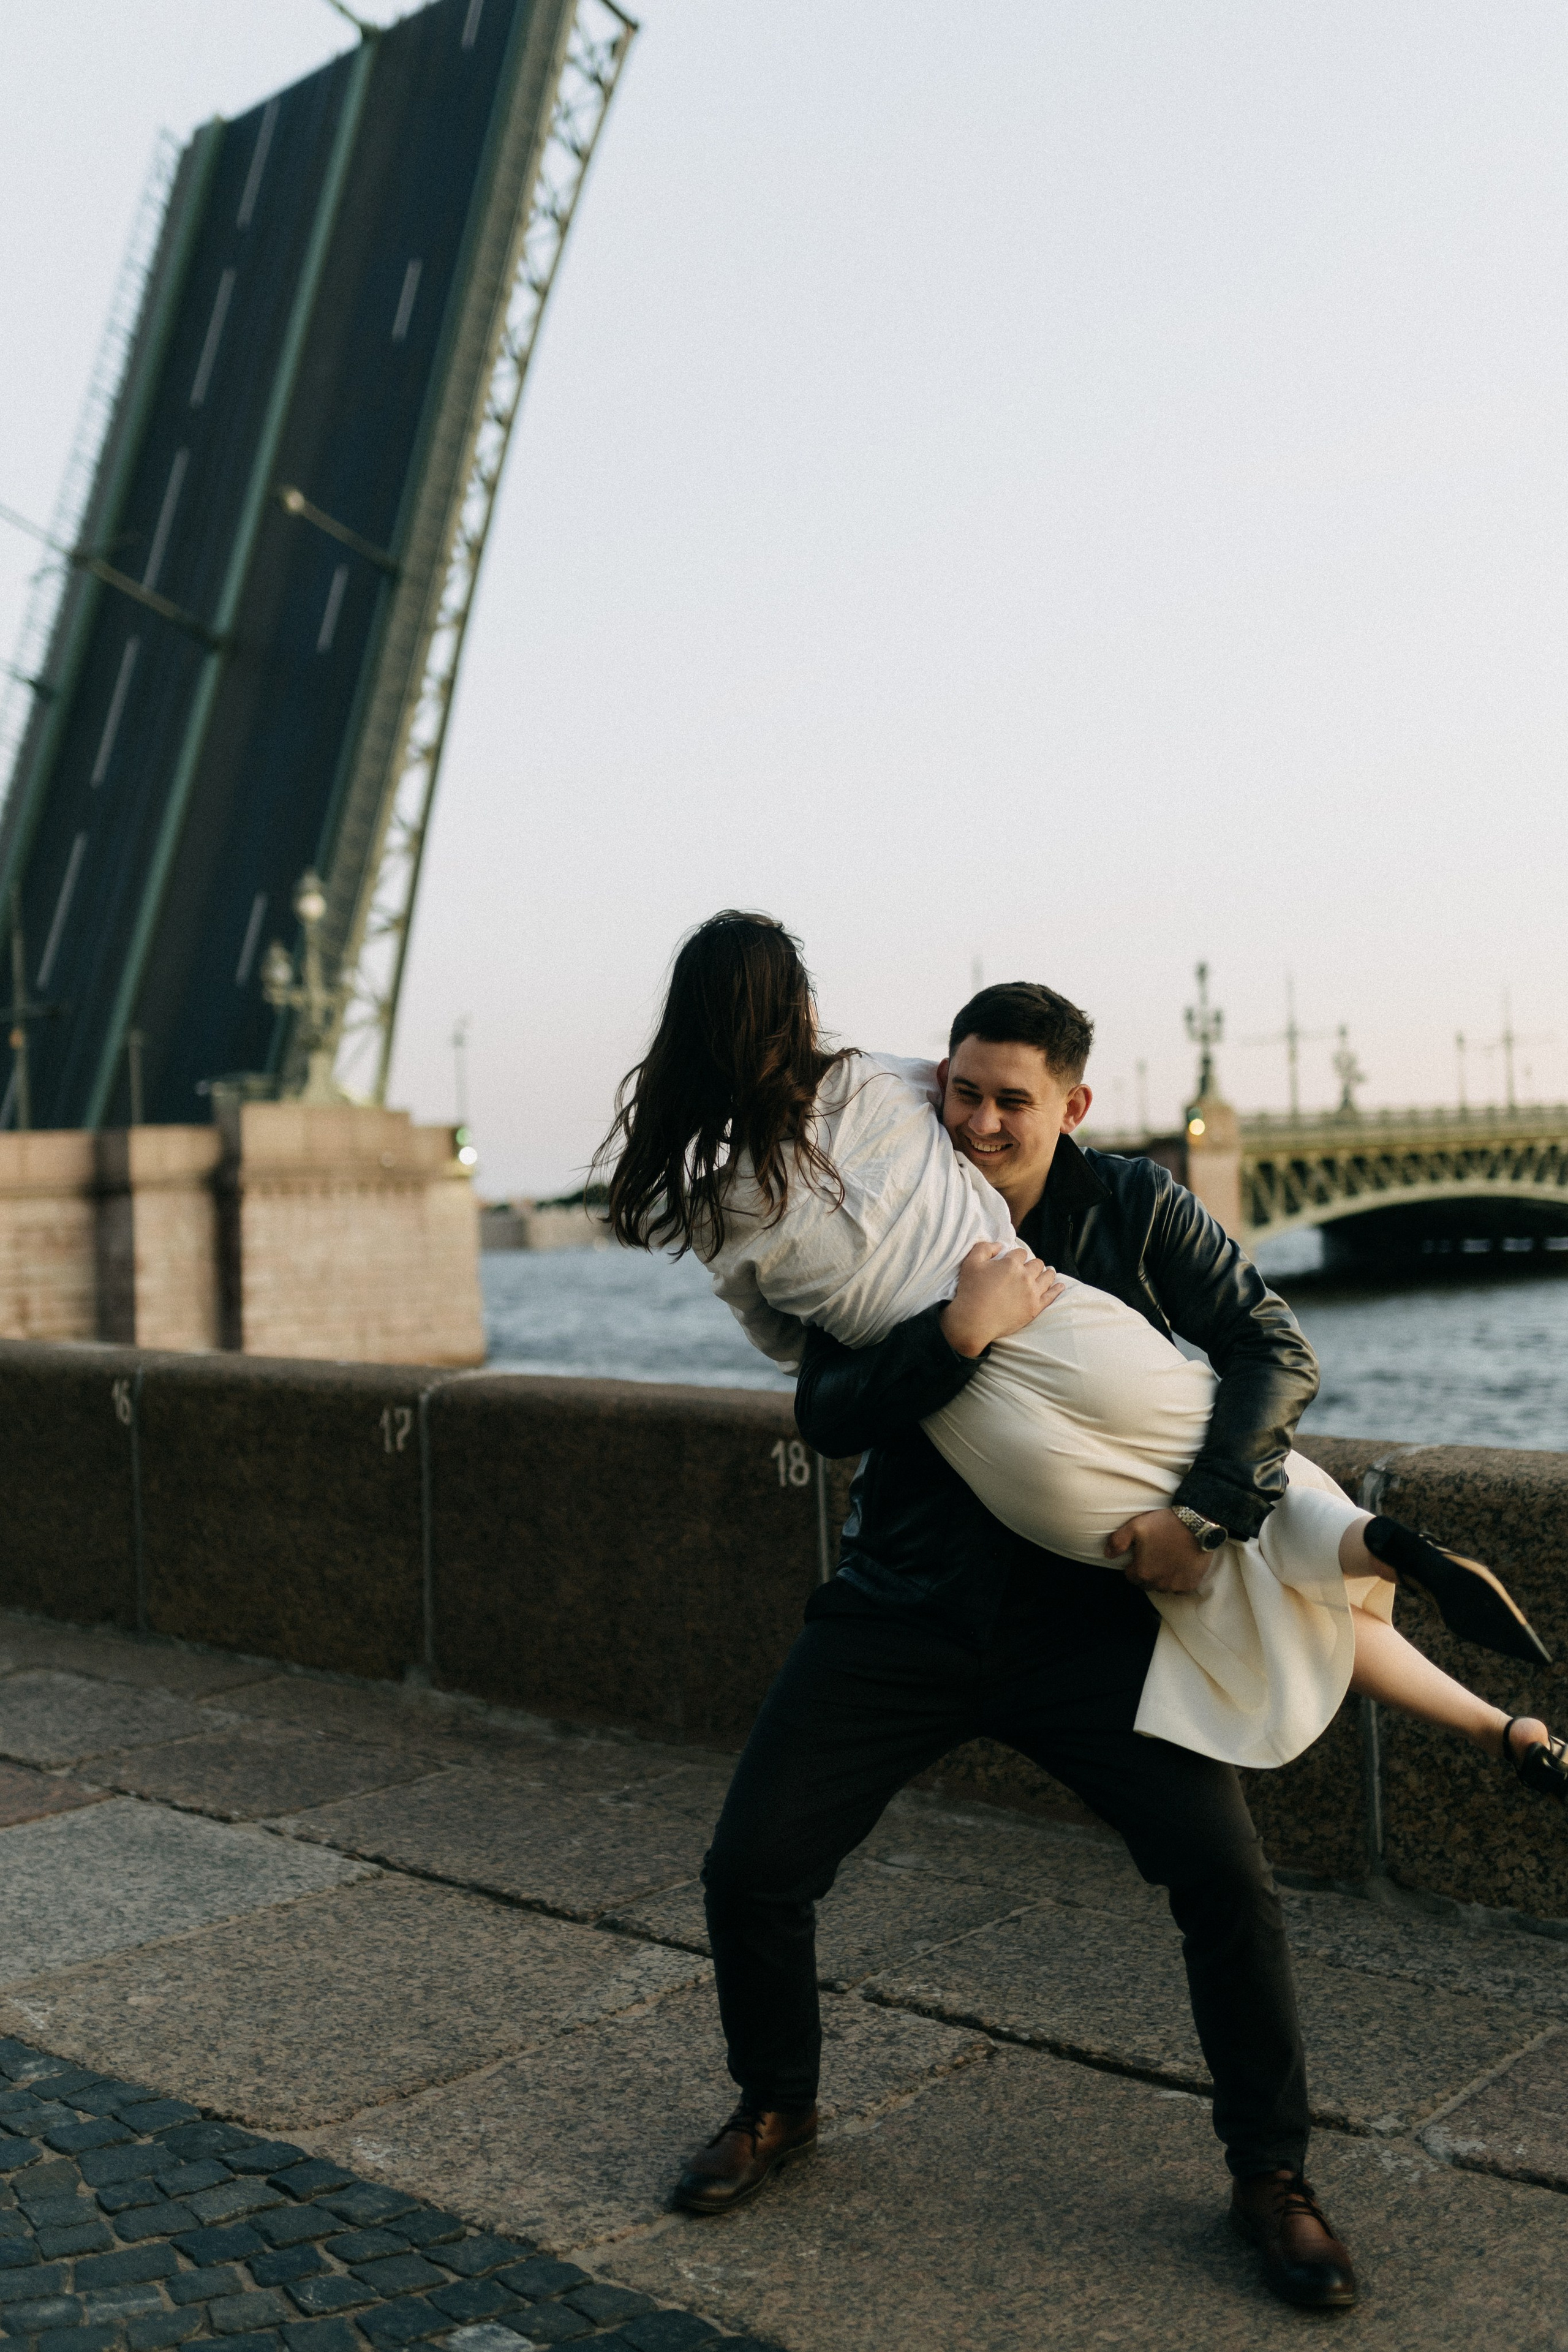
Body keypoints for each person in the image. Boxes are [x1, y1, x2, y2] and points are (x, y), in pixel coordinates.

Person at [598, 911, 1564, 2313]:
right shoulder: (868, 1163)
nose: (979, 1122)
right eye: (961, 1094)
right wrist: (953, 1334)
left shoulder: (1133, 1208)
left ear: (1071, 1105)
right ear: (932, 1087)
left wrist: (1203, 1517)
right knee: (751, 1865)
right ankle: (775, 2105)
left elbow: (1271, 1348)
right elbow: (827, 1408)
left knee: (1223, 1885)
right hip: (907, 1604)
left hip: (1091, 1624)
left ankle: (1271, 2177)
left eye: (1010, 1101)